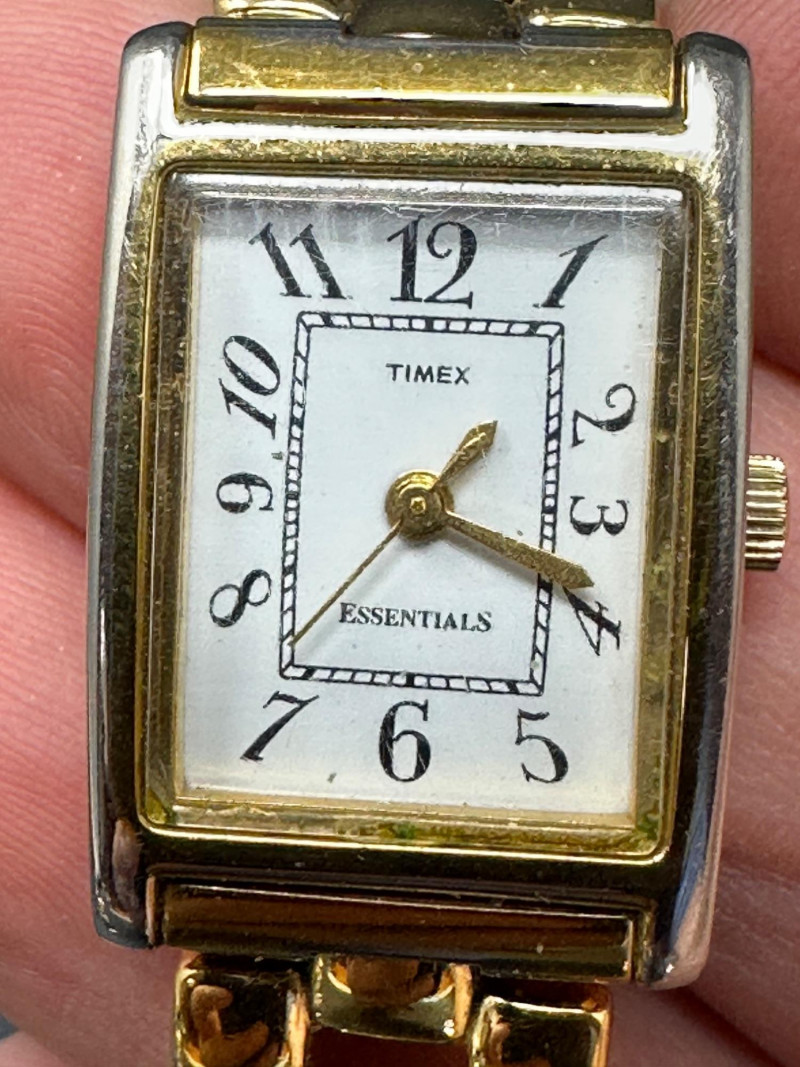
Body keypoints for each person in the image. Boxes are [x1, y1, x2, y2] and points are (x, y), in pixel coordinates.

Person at [0, 1, 797, 1064]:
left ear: (741, 504)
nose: (416, 506)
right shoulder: (654, 116)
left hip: (521, 901)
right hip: (337, 884)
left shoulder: (209, 99)